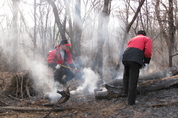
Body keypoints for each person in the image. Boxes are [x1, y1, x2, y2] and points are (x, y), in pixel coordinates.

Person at [122, 30, 152, 105]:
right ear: (144, 34)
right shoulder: (146, 39)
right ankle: (131, 101)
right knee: (133, 79)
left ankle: (125, 93)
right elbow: (148, 51)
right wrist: (146, 61)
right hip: (135, 60)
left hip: (125, 58)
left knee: (126, 76)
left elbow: (128, 48)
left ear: (137, 34)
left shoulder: (132, 39)